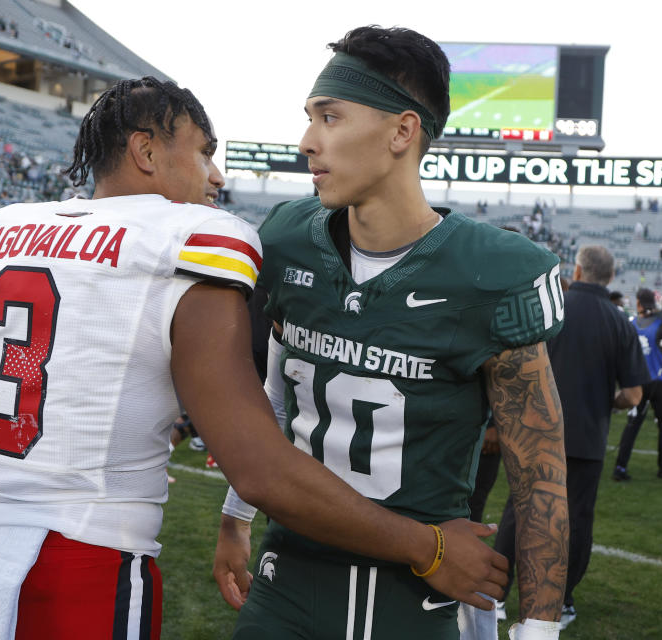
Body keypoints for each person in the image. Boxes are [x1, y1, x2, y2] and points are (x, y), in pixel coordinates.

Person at [0, 77, 508, 640]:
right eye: (204, 152)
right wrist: (430, 549)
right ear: (148, 152)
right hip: (84, 571)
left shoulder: (1, 234)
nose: (215, 176)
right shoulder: (187, 241)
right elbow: (262, 470)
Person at [213, 26, 568, 640]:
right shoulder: (289, 239)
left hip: (418, 593)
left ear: (403, 132)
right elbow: (277, 390)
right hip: (289, 575)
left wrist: (538, 631)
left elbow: (538, 471)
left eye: (330, 117)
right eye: (310, 117)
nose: (307, 142)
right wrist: (234, 517)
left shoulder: (489, 272)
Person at [493, 245, 647, 629]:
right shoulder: (620, 320)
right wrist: (606, 401)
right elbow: (633, 395)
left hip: (533, 428)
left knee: (520, 511)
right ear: (609, 278)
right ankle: (560, 604)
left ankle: (495, 595)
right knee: (574, 520)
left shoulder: (550, 305)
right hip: (587, 434)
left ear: (576, 271)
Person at [612, 288, 662, 480]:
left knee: (632, 425)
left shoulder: (631, 323)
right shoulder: (661, 324)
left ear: (639, 303)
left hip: (638, 381)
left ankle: (620, 467)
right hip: (661, 382)